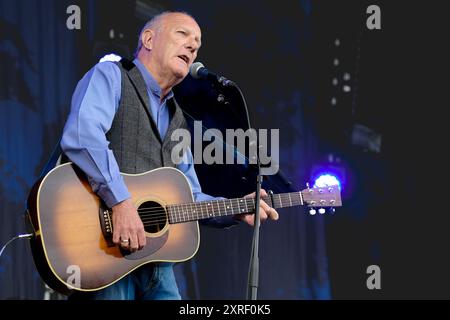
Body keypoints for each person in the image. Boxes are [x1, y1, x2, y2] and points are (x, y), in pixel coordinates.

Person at [61, 11, 279, 300]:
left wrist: (234, 207)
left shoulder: (178, 119)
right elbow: (82, 136)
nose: (192, 46)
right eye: (182, 35)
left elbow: (188, 196)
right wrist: (121, 202)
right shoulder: (111, 76)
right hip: (103, 252)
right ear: (148, 39)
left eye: (198, 44)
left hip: (157, 264)